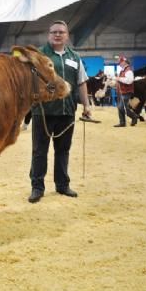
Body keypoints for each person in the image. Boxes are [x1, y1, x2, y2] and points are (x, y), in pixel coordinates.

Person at [28, 20, 91, 203]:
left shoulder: (75, 57)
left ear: (67, 35)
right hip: (43, 111)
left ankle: (62, 185)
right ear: (49, 35)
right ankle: (37, 187)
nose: (57, 35)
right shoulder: (39, 55)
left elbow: (81, 82)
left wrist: (86, 105)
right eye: (54, 32)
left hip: (67, 111)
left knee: (63, 150)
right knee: (39, 151)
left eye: (61, 32)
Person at [114, 56, 138, 127]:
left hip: (126, 91)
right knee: (121, 107)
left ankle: (134, 116)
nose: (119, 63)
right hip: (122, 92)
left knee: (122, 107)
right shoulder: (123, 70)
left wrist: (119, 78)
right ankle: (122, 122)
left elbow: (129, 81)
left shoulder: (128, 70)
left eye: (120, 62)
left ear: (124, 62)